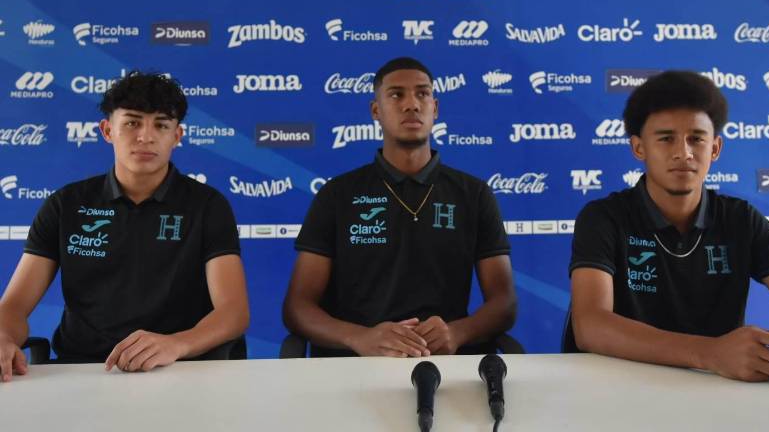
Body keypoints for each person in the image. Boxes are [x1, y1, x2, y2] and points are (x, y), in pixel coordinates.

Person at [0, 71, 249, 381]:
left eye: (161, 125)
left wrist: (177, 344)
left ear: (177, 136)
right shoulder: (65, 204)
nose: (145, 136)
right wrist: (3, 336)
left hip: (181, 368)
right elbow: (13, 306)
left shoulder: (208, 206)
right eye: (132, 123)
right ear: (107, 130)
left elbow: (233, 312)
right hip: (84, 370)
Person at [569, 70, 769, 381]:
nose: (683, 152)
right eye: (666, 138)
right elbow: (590, 326)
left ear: (715, 148)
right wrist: (711, 353)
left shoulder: (741, 219)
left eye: (696, 138)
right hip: (621, 388)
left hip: (716, 394)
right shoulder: (603, 217)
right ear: (639, 148)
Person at [283, 57, 516, 357]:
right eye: (396, 95)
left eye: (422, 94)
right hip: (353, 366)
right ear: (376, 111)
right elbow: (297, 307)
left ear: (435, 108)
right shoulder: (337, 194)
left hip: (445, 363)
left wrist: (456, 332)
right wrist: (360, 338)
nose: (412, 105)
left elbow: (504, 302)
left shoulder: (474, 193)